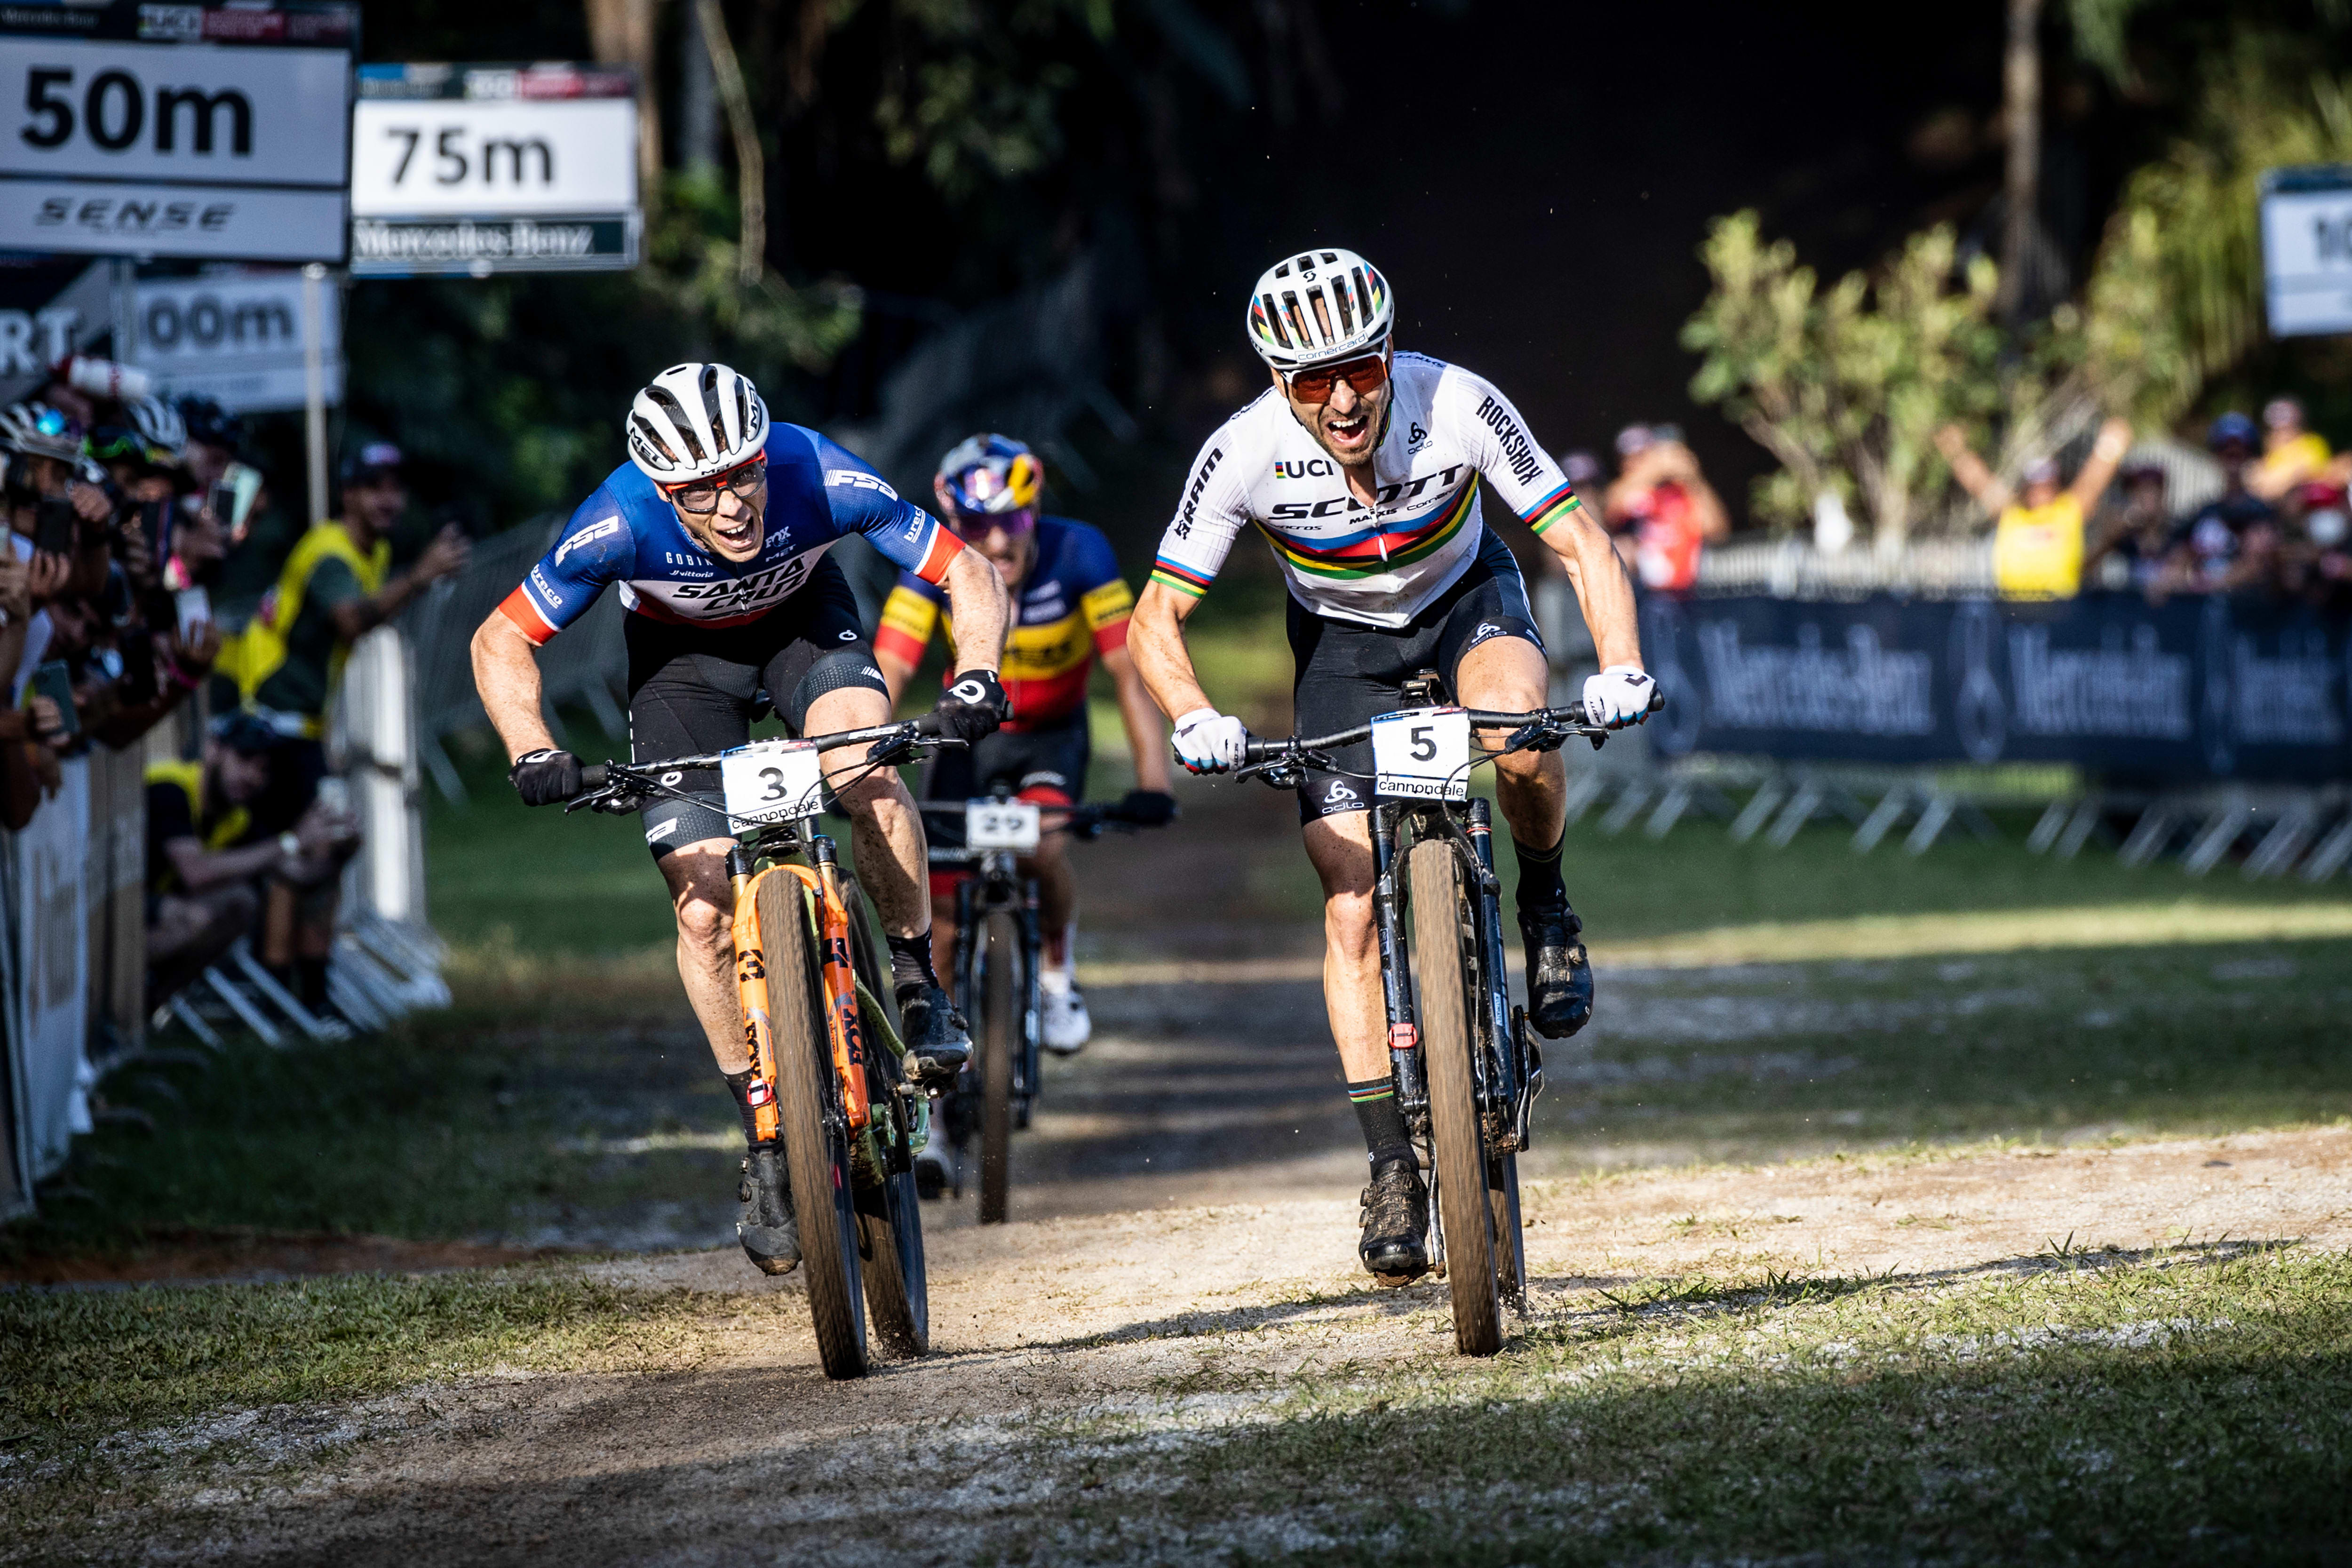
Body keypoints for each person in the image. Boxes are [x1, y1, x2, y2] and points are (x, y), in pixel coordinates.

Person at [1128, 248, 1652, 1285]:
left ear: (1390, 354)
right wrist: (1193, 715)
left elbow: (1583, 543)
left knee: (1521, 733)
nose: (1342, 399)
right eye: (1312, 380)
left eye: (1360, 369)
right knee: (1350, 907)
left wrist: (1622, 663)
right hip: (1342, 646)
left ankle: (1546, 906)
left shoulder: (1456, 402)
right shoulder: (1243, 450)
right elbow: (1154, 618)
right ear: (1279, 382)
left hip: (1466, 601)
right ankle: (1390, 1168)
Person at [469, 361, 1013, 1278]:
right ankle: (766, 1135)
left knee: (865, 767)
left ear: (766, 456)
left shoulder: (817, 472)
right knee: (702, 909)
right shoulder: (615, 522)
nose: (731, 504)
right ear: (660, 490)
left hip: (807, 629)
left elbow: (966, 568)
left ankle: (918, 983)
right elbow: (501, 638)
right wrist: (531, 748)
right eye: (699, 489)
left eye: (743, 474)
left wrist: (978, 675)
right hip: (680, 668)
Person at [874, 435, 1174, 1195]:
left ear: (1035, 509)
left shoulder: (1080, 553)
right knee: (939, 918)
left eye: (1011, 520)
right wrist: (861, 757)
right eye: (977, 526)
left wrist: (1153, 780)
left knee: (1044, 846)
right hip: (967, 739)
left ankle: (1055, 976)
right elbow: (891, 667)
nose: (997, 541)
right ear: (954, 523)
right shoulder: (932, 564)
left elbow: (1125, 667)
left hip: (1051, 737)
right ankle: (940, 1121)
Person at [216, 442, 471, 742]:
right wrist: (417, 578)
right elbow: (350, 622)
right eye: (374, 488)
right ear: (348, 494)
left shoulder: (377, 550)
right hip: (271, 708)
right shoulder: (331, 554)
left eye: (397, 489)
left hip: (302, 713)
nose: (389, 500)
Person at [145, 713, 356, 1007]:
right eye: (244, 758)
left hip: (155, 906)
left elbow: (296, 875)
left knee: (242, 901)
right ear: (213, 749)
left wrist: (342, 853)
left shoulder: (237, 818)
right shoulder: (170, 787)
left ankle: (153, 1003)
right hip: (117, 908)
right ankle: (133, 998)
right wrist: (293, 841)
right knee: (196, 917)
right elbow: (195, 872)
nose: (253, 777)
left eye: (264, 769)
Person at [1935, 415, 2134, 599]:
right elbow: (1980, 483)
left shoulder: (2067, 512)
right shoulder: (2012, 515)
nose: (2041, 491)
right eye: (2036, 485)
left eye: (2047, 484)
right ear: (2026, 487)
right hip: (2014, 611)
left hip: (2061, 611)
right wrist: (1956, 451)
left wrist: (2111, 444)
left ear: (2056, 485)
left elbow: (2092, 482)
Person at [1602, 422, 1730, 590]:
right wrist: (1655, 470)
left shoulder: (1682, 491)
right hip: (1643, 591)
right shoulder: (1629, 490)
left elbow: (1717, 530)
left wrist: (1692, 477)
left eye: (1642, 455)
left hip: (1688, 590)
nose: (1635, 463)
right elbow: (1610, 508)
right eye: (1629, 458)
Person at [2083, 460, 2178, 599]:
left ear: (2162, 495)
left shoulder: (2177, 536)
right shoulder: (2123, 539)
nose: (2142, 498)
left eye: (2149, 491)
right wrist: (2111, 539)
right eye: (2137, 491)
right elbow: (2087, 570)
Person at [2248, 396, 2331, 503]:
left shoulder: (2313, 444)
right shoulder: (2271, 454)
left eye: (2286, 428)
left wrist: (2274, 482)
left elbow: (2304, 472)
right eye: (2273, 429)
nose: (2279, 434)